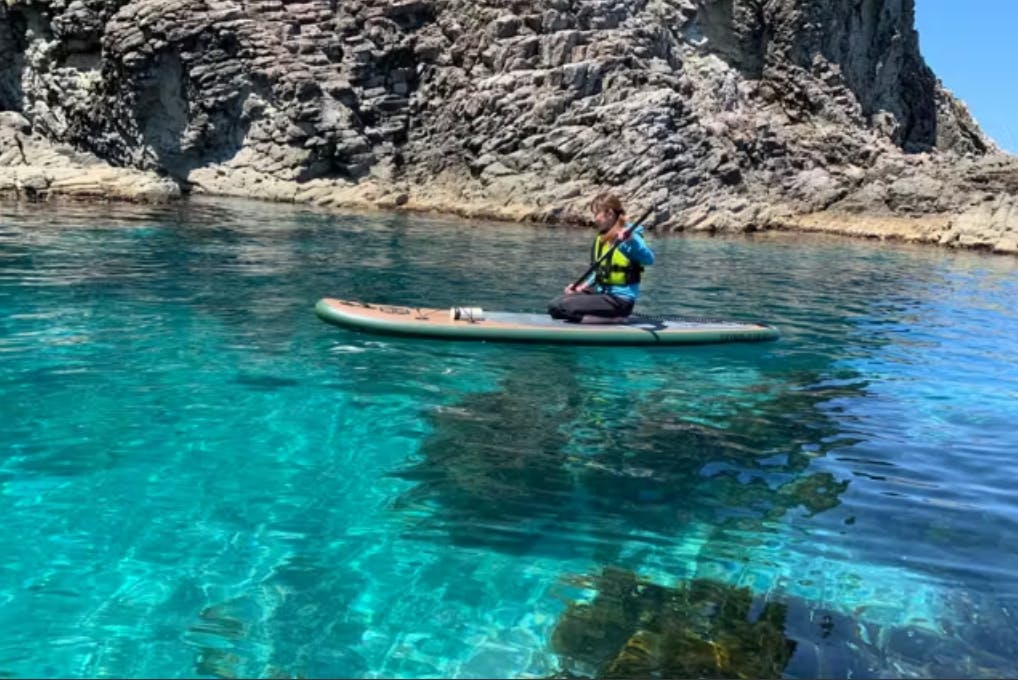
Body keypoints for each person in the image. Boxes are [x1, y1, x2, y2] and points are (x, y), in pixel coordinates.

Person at [548, 192, 654, 324]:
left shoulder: (629, 236)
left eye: (596, 213)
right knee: (555, 304)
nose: (594, 219)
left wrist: (632, 241)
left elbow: (649, 259)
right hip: (602, 293)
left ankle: (615, 320)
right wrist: (582, 287)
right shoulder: (603, 237)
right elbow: (600, 271)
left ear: (609, 213)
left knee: (562, 308)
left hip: (620, 300)